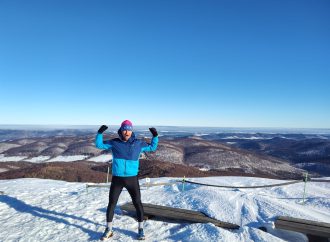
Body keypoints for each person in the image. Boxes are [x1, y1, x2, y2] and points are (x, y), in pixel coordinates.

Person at [95, 120, 158, 240]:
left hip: (132, 179)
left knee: (137, 203)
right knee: (112, 204)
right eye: (124, 129)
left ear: (131, 130)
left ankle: (140, 230)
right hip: (117, 179)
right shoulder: (114, 143)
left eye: (129, 129)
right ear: (121, 130)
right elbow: (99, 145)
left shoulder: (138, 144)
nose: (127, 132)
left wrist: (155, 136)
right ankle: (109, 229)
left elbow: (152, 147)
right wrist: (99, 133)